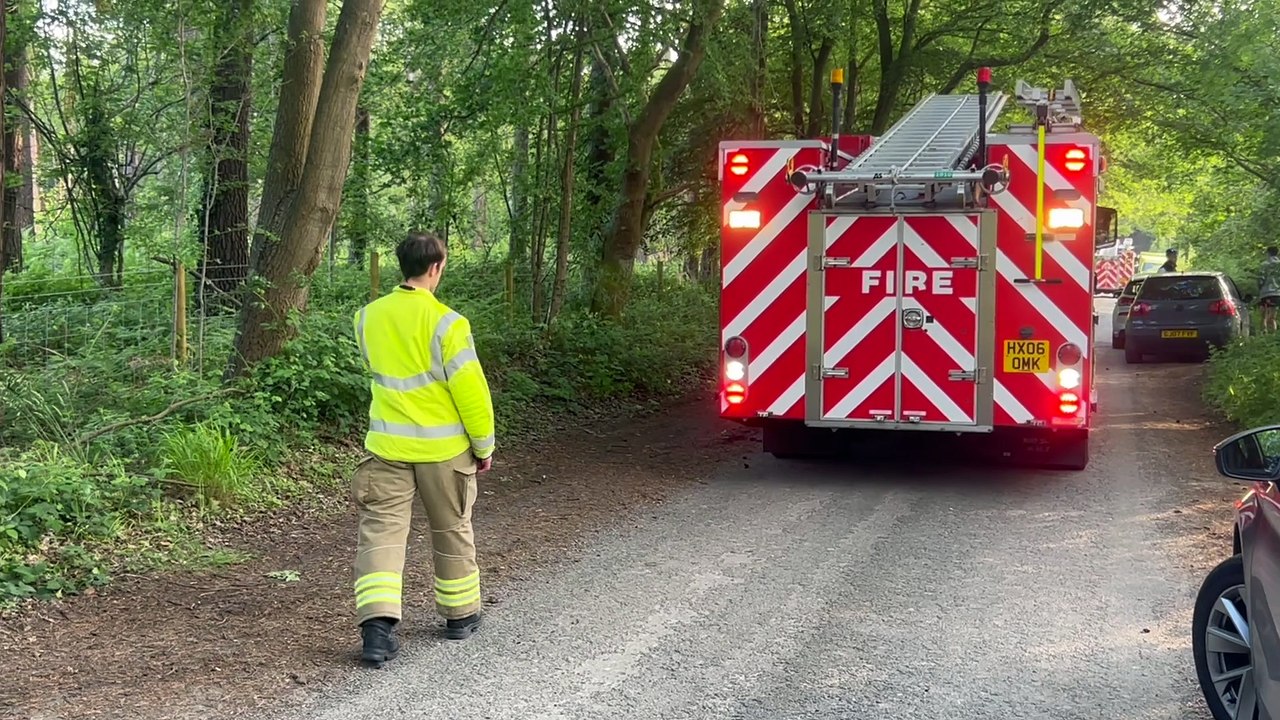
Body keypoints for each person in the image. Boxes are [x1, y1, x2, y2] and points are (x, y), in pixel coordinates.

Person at [349, 231, 496, 667]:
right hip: (444, 452)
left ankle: (377, 632)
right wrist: (483, 445)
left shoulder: (367, 318)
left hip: (387, 449)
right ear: (436, 267)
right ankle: (460, 616)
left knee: (380, 535)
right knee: (451, 529)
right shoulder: (449, 323)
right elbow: (471, 391)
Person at [1258, 246, 1280, 334]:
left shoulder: (1264, 265)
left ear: (1268, 253)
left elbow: (1261, 279)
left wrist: (1259, 288)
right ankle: (1273, 336)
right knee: (1273, 317)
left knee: (1263, 316)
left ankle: (1264, 333)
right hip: (1277, 293)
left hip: (1265, 293)